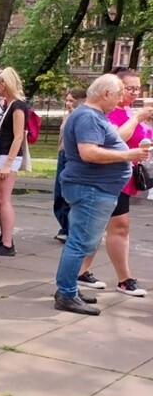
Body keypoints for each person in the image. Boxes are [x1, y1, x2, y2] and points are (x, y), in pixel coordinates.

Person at [53, 73, 152, 315]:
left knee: (82, 241)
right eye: (119, 94)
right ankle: (66, 293)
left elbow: (109, 142)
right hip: (91, 188)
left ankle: (68, 290)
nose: (120, 100)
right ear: (106, 94)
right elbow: (89, 153)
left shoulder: (93, 115)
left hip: (95, 188)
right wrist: (127, 156)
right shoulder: (88, 116)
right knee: (79, 243)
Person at [75, 68, 153, 296]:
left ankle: (85, 272)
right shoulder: (104, 112)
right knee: (105, 227)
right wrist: (138, 119)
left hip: (123, 176)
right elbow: (115, 139)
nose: (133, 93)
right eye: (129, 88)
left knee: (111, 227)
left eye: (137, 88)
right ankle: (122, 278)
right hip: (106, 177)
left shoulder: (129, 110)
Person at [0, 68, 29, 257]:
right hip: (1, 154)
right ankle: (4, 238)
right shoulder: (8, 105)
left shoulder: (18, 106)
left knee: (3, 199)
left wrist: (8, 164)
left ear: (5, 84)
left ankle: (7, 242)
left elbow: (18, 137)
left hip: (7, 156)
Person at [52, 88, 87, 242]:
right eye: (66, 100)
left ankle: (69, 230)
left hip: (72, 157)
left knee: (67, 195)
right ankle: (66, 227)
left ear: (82, 100)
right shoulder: (68, 116)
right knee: (59, 195)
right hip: (63, 155)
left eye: (71, 100)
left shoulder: (82, 116)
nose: (67, 103)